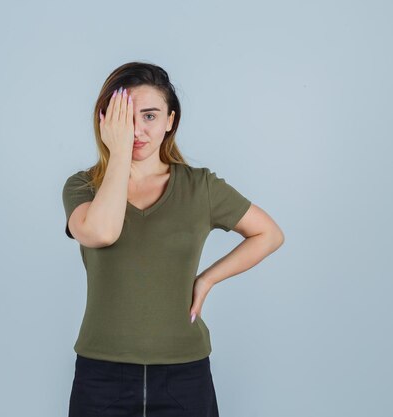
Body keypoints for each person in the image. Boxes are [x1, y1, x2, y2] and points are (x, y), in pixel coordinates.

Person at [62, 62, 284, 417]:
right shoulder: (83, 186)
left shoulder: (201, 187)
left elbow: (269, 234)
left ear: (170, 121)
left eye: (149, 116)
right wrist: (118, 154)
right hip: (101, 373)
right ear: (106, 122)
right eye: (126, 118)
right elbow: (102, 232)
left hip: (185, 373)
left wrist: (207, 279)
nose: (138, 130)